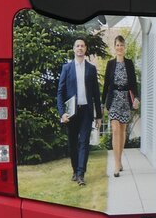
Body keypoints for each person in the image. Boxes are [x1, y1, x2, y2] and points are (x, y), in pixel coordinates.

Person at [56, 38, 102, 185]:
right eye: (77, 46)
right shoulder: (67, 68)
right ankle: (75, 171)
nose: (80, 48)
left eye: (82, 46)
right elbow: (60, 92)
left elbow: (96, 94)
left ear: (85, 49)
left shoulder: (91, 69)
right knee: (73, 143)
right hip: (72, 113)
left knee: (84, 142)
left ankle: (81, 174)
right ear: (74, 49)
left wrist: (99, 116)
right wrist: (62, 113)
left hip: (86, 112)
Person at [103, 35, 140, 177]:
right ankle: (116, 164)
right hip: (113, 99)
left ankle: (119, 160)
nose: (119, 47)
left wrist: (136, 98)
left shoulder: (129, 63)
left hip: (125, 99)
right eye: (117, 45)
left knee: (123, 130)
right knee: (115, 129)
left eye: (121, 45)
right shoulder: (110, 64)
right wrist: (103, 103)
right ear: (114, 47)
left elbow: (133, 83)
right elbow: (106, 85)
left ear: (125, 47)